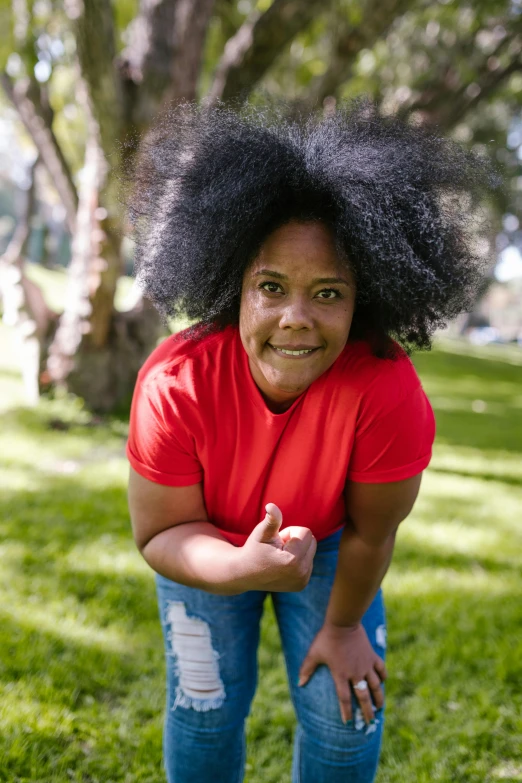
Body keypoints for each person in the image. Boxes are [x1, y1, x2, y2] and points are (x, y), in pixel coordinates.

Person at [125, 98, 498, 783]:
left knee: (344, 710)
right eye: (271, 286)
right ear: (232, 284)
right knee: (204, 704)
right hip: (205, 543)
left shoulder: (385, 393)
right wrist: (241, 566)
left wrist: (343, 626)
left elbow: (370, 534)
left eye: (328, 293)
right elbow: (157, 536)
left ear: (365, 301)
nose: (295, 318)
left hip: (329, 548)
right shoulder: (175, 382)